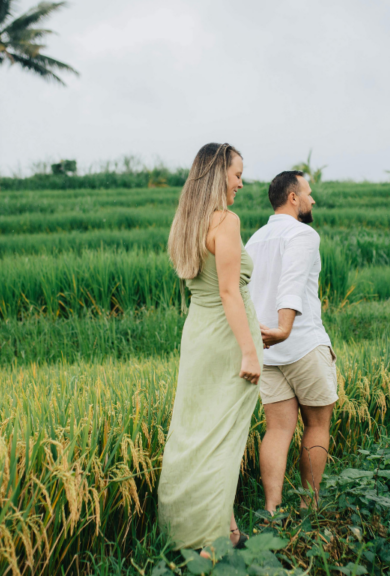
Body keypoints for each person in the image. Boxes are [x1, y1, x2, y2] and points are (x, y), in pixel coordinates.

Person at [157, 143, 261, 553]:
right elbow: (229, 293)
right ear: (219, 175)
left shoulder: (186, 221)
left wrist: (259, 327)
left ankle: (215, 528)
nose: (241, 182)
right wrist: (249, 350)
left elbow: (208, 290)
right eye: (237, 174)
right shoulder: (226, 221)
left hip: (199, 335)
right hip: (226, 341)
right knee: (224, 439)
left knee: (196, 431)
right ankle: (210, 540)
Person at [245, 170, 337, 514]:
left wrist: (264, 335)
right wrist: (284, 328)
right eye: (308, 193)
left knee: (278, 429)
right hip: (301, 344)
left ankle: (272, 510)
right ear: (293, 197)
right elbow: (292, 283)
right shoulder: (303, 234)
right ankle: (310, 507)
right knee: (317, 425)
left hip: (267, 351)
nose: (313, 199)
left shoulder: (254, 239)